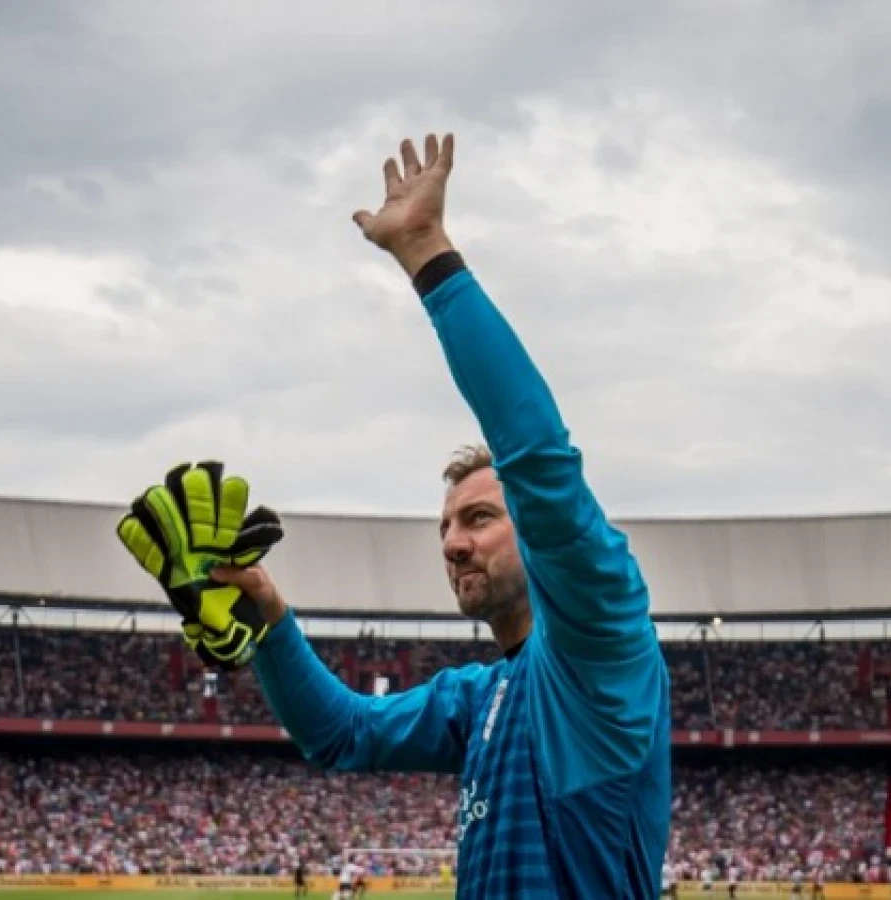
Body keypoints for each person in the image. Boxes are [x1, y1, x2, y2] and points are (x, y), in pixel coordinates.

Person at [213, 133, 672, 897]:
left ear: (540, 536)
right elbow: (342, 733)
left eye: (481, 519)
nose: (455, 544)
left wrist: (427, 253)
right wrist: (266, 617)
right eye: (446, 528)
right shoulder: (481, 696)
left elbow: (539, 460)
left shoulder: (602, 651)